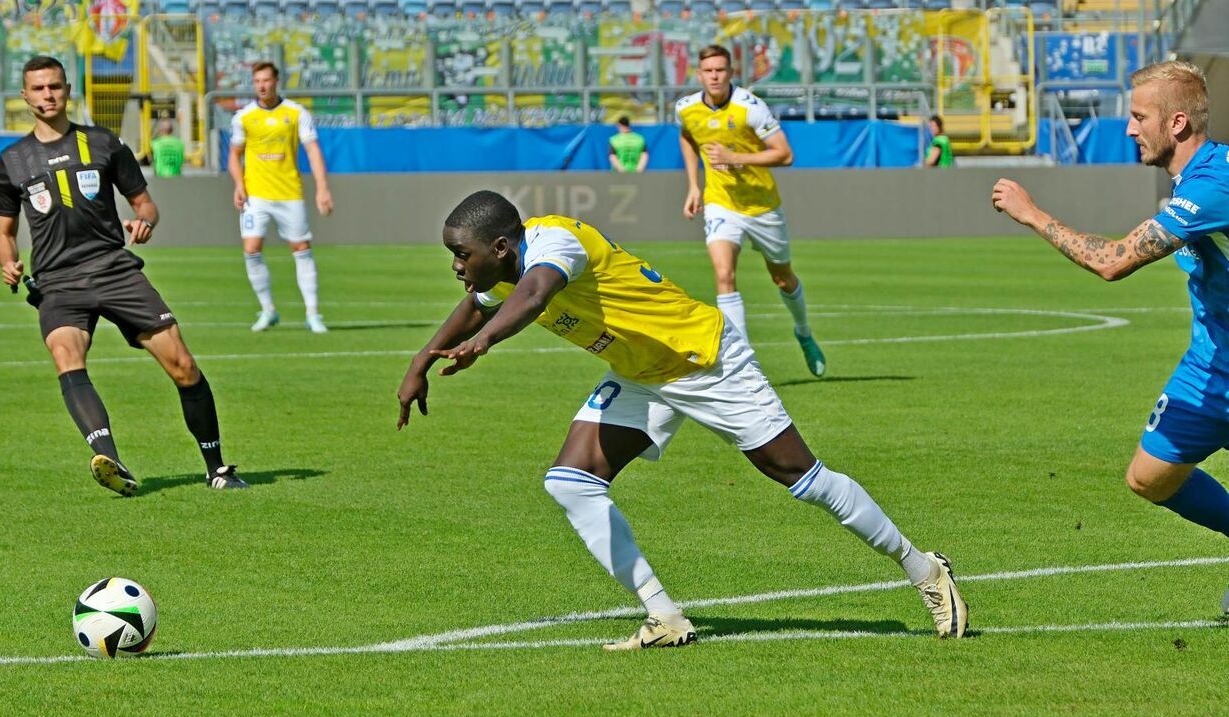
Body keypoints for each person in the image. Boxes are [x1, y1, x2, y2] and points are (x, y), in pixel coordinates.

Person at [397, 190, 969, 649]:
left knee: (800, 477)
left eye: (462, 254)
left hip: (705, 361)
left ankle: (923, 569)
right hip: (642, 375)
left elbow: (535, 295)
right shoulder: (502, 270)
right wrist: (421, 361)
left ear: (500, 246)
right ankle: (663, 615)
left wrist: (484, 346)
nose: (455, 266)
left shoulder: (557, 244)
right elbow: (480, 304)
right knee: (570, 483)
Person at [992, 60, 1229, 615]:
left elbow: (1114, 262)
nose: (1128, 128)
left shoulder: (1213, 186)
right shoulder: (1195, 182)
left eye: (1137, 116)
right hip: (1210, 361)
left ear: (1175, 124)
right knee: (1149, 478)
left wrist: (1034, 215)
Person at [0, 56, 247, 495]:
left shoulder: (104, 143)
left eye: (54, 87)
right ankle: (111, 461)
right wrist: (8, 262)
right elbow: (5, 233)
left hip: (114, 269)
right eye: (38, 89)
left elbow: (144, 204)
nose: (47, 95)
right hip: (57, 280)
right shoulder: (12, 161)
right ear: (25, 97)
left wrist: (144, 221)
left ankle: (217, 468)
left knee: (183, 366)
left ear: (67, 90)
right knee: (66, 355)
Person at [677, 45, 825, 378]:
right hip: (720, 203)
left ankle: (803, 331)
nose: (715, 76)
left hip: (762, 206)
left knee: (782, 278)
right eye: (708, 70)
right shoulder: (686, 109)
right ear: (699, 75)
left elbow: (785, 155)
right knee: (724, 275)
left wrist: (735, 158)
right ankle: (745, 367)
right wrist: (693, 185)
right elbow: (688, 137)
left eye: (721, 70)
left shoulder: (749, 108)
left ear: (730, 73)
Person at [228, 61, 334, 334]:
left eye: (266, 80)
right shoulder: (243, 117)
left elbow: (313, 151)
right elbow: (234, 156)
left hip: (289, 193)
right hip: (256, 196)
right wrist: (239, 185)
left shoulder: (296, 113)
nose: (262, 85)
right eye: (257, 81)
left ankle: (312, 313)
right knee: (251, 249)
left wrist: (322, 188)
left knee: (301, 249)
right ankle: (268, 310)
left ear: (276, 81)